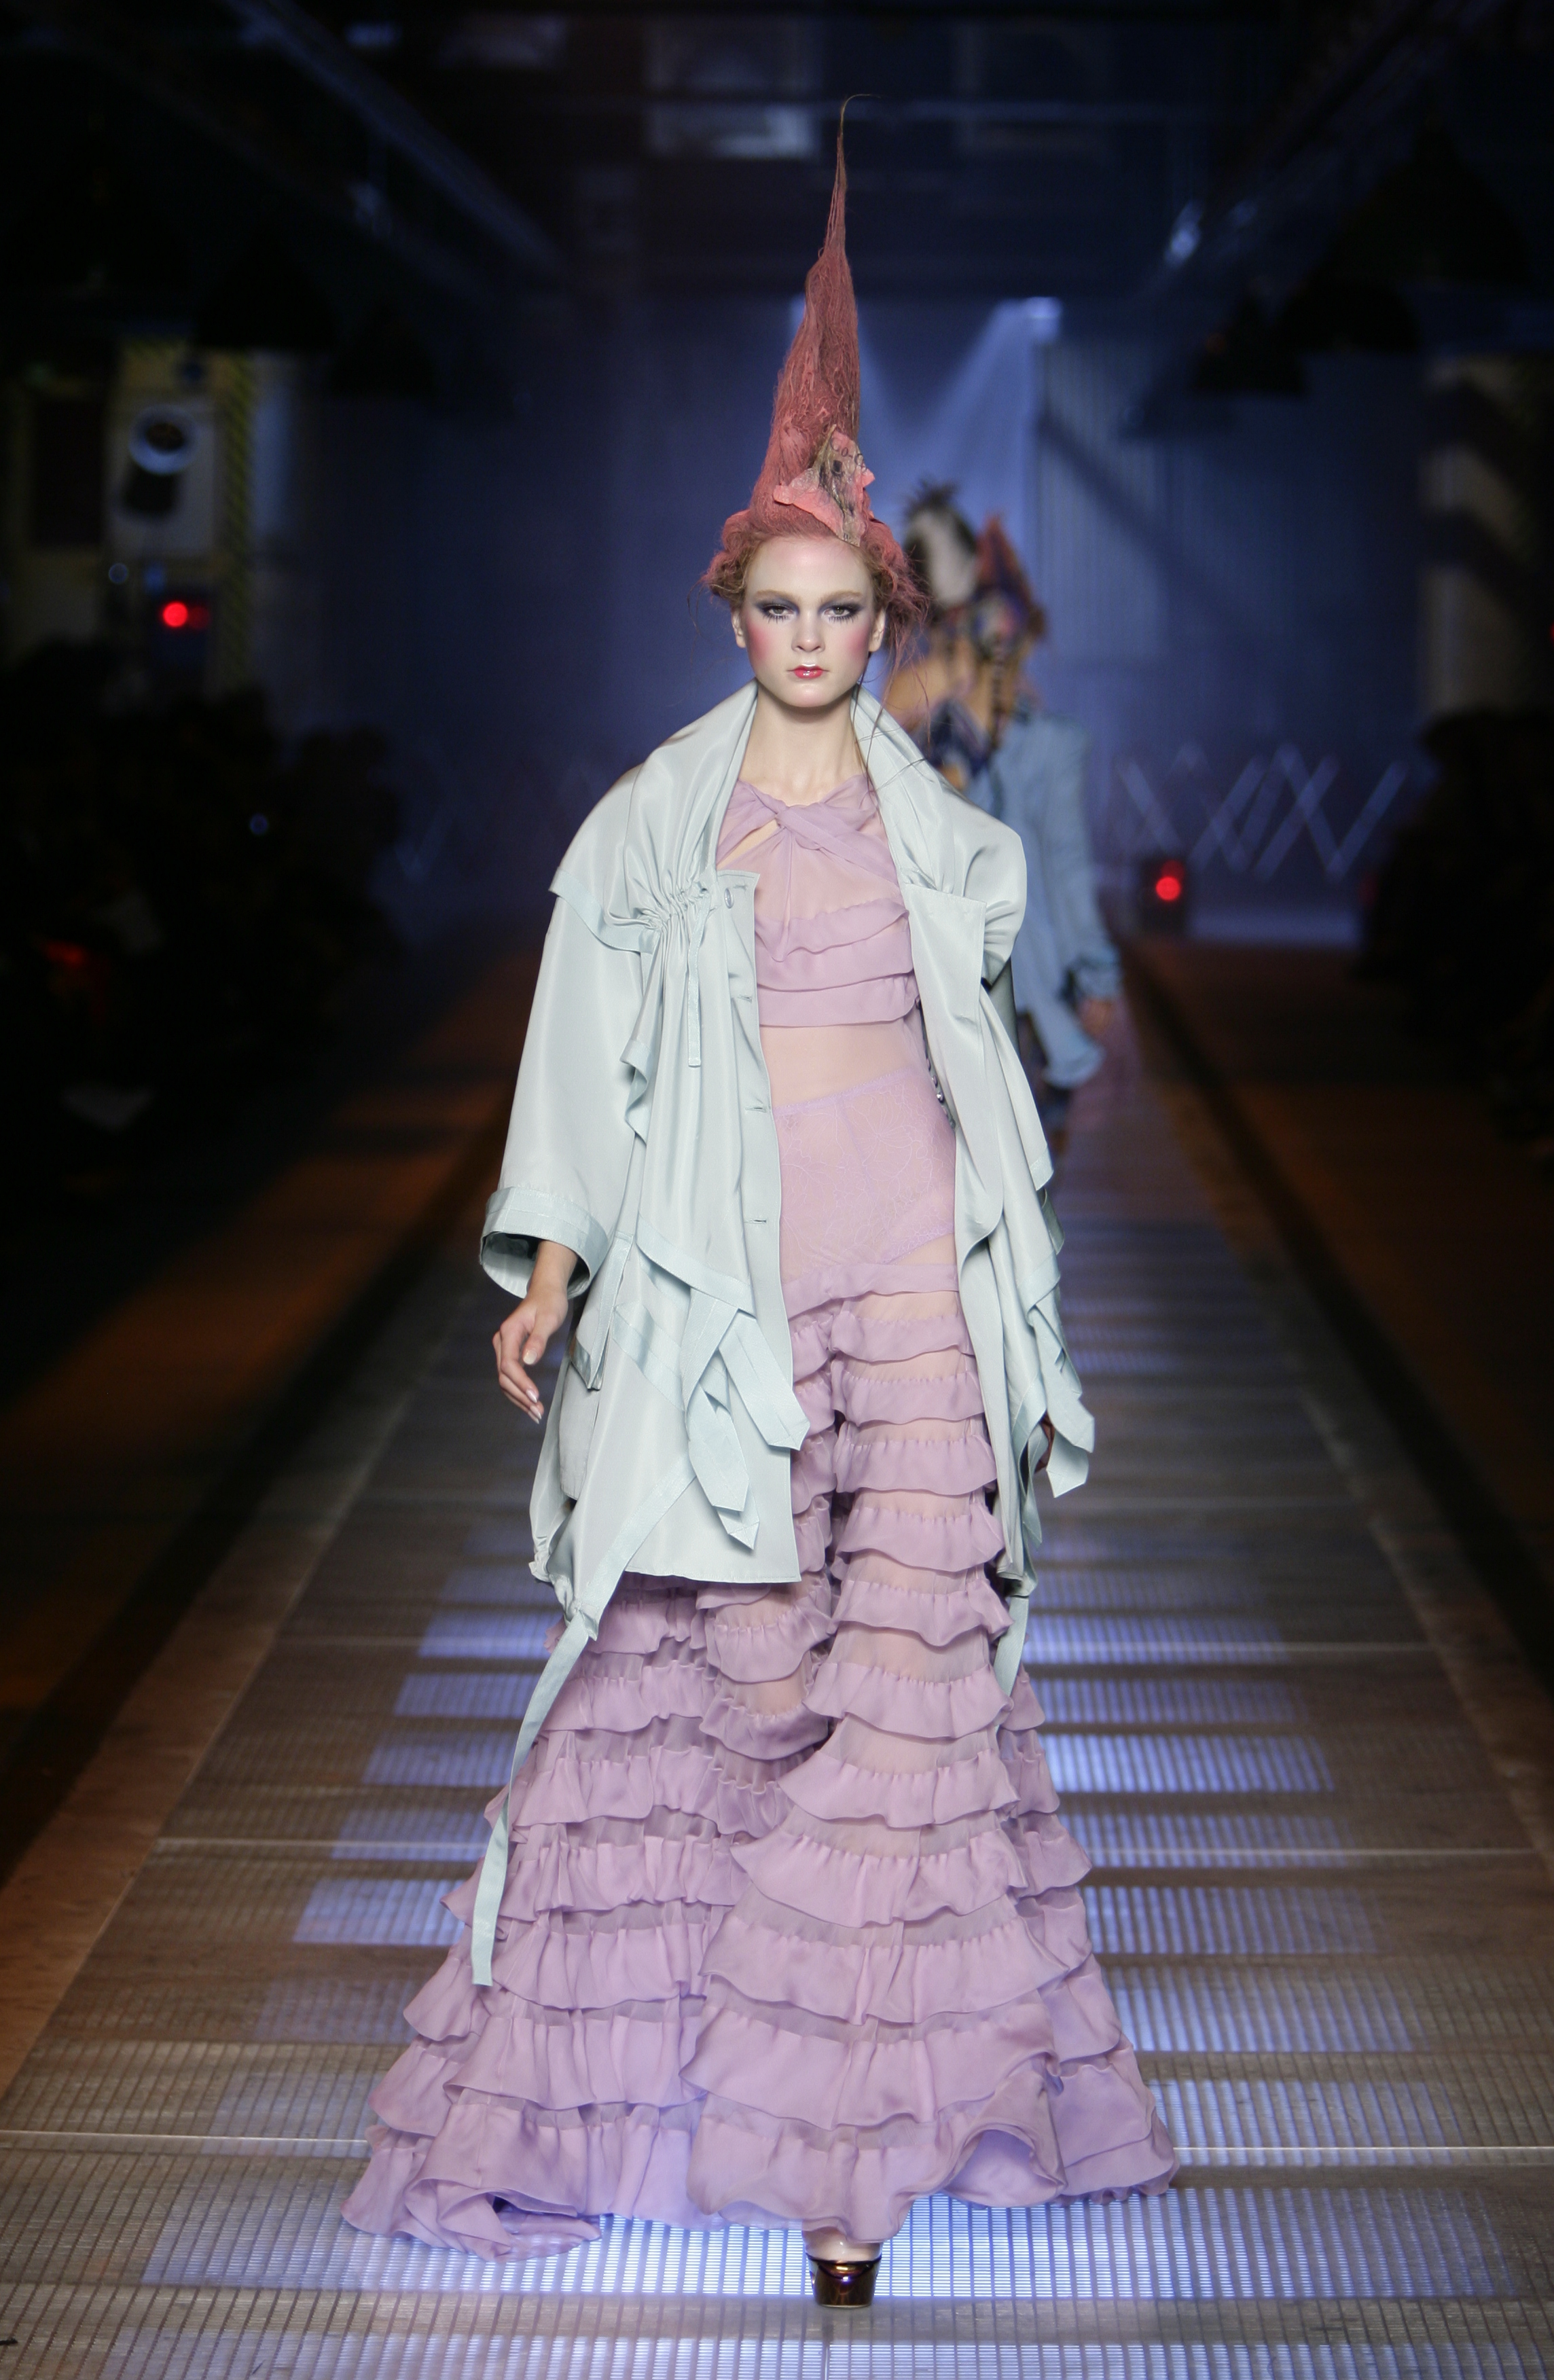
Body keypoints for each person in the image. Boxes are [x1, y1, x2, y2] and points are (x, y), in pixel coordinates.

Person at [341, 131, 1174, 2309]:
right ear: (734, 618)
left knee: (901, 1708)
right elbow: (576, 1061)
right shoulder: (649, 819)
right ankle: (730, 2113)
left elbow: (979, 1056)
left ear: (875, 628)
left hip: (904, 1291)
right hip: (725, 1306)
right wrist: (550, 1261)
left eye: (838, 613)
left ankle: (850, 2166)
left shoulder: (945, 836)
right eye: (776, 611)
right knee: (703, 1697)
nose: (808, 640)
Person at [886, 492, 1120, 1144]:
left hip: (994, 989)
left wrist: (1096, 974)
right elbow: (1065, 867)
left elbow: (1066, 867)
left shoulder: (929, 734)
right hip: (961, 987)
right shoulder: (918, 737)